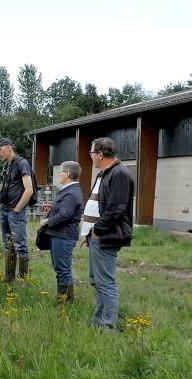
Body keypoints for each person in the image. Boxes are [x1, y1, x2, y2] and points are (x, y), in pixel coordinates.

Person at [80, 137, 134, 329]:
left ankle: (107, 325)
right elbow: (98, 206)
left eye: (92, 153)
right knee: (97, 281)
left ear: (100, 154)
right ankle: (98, 319)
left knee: (106, 282)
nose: (91, 157)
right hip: (96, 236)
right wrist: (89, 234)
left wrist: (97, 231)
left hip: (106, 236)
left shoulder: (119, 174)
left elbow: (116, 208)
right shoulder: (105, 173)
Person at [40, 161, 84, 303]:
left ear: (68, 174)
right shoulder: (67, 190)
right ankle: (63, 298)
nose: (59, 174)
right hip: (59, 235)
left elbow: (65, 214)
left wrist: (47, 221)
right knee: (60, 268)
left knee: (63, 269)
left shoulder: (71, 193)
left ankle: (66, 302)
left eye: (61, 172)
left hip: (64, 236)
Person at [0, 137, 34, 283]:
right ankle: (9, 279)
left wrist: (17, 210)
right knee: (8, 244)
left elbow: (29, 190)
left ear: (9, 147)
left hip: (15, 211)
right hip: (4, 209)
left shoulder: (22, 163)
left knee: (20, 246)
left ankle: (23, 282)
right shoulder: (7, 165)